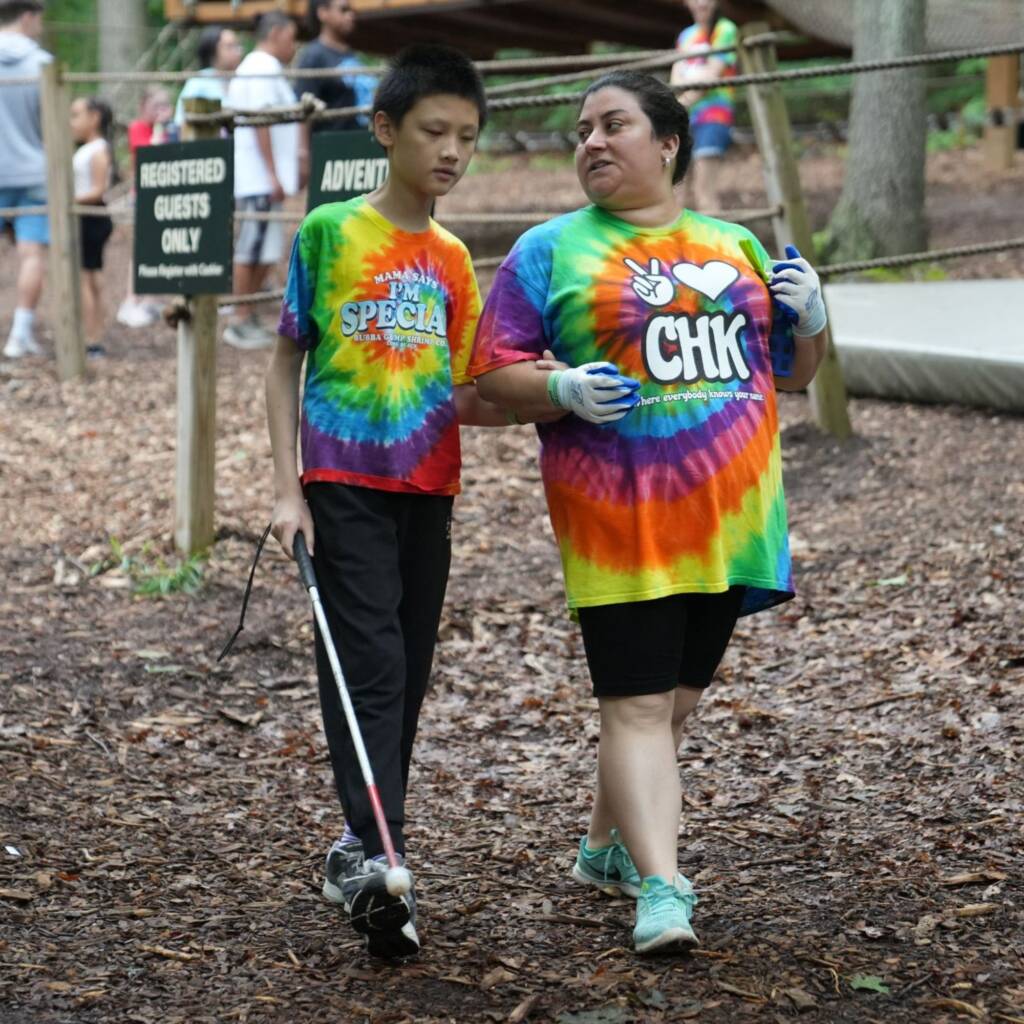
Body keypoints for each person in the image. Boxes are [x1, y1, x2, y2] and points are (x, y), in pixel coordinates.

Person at [469, 71, 828, 955]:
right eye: (581, 130)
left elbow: (797, 372)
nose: (590, 141)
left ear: (667, 142)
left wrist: (815, 318)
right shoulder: (548, 250)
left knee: (667, 709)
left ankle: (602, 851)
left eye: (612, 125)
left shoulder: (735, 244)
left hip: (733, 524)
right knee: (634, 710)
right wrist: (557, 387)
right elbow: (487, 376)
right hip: (618, 527)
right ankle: (663, 890)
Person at [266, 44, 560, 959]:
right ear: (385, 130)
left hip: (428, 489)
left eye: (468, 137)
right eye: (434, 131)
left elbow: (467, 393)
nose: (452, 152)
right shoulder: (329, 232)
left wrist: (550, 392)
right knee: (373, 665)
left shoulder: (454, 260)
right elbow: (284, 362)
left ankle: (358, 854)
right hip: (343, 484)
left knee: (409, 670)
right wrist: (286, 490)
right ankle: (377, 856)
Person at [224, 11, 299, 349]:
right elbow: (260, 121)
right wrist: (271, 173)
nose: (294, 45)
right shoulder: (260, 68)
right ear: (277, 33)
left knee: (266, 250)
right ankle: (238, 318)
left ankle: (248, 312)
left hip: (267, 178)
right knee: (250, 247)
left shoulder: (269, 70)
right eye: (292, 36)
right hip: (257, 177)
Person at [0, 0, 50, 360]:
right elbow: (52, 125)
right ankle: (19, 334)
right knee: (31, 253)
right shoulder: (41, 63)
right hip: (34, 171)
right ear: (29, 16)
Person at [295, 0, 378, 184]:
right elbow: (303, 107)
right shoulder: (313, 55)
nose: (350, 15)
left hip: (358, 152)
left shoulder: (352, 55)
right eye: (343, 9)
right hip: (330, 155)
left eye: (351, 10)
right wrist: (303, 154)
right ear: (323, 13)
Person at [670, 0, 739, 213]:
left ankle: (717, 247)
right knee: (676, 192)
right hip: (685, 118)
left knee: (704, 192)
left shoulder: (725, 29)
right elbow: (676, 78)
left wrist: (680, 104)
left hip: (714, 116)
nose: (701, 3)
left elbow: (711, 76)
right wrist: (683, 103)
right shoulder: (686, 36)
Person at [117, 85, 174, 329]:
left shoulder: (171, 129)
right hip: (144, 196)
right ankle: (131, 300)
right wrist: (161, 127)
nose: (160, 112)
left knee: (160, 247)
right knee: (141, 250)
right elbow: (150, 154)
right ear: (143, 108)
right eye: (155, 107)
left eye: (165, 106)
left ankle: (150, 299)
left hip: (165, 195)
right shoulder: (137, 128)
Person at [70, 96, 115, 356]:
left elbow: (98, 190)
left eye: (76, 115)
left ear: (94, 117)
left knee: (86, 278)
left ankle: (92, 337)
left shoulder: (98, 149)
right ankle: (93, 333)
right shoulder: (90, 148)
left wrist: (66, 200)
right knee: (91, 278)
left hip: (91, 216)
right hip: (89, 216)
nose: (71, 122)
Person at [173, 24, 243, 128]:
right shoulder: (198, 82)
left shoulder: (242, 79)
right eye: (229, 46)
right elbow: (181, 122)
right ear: (213, 50)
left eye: (237, 46)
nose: (237, 52)